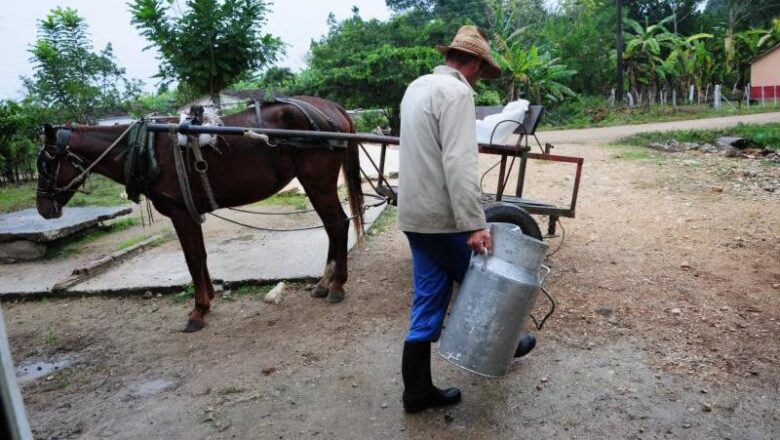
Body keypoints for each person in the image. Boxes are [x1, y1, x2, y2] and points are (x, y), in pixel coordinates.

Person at [397, 25, 536, 413]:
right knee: (484, 279)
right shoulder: (457, 93)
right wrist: (475, 224)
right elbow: (458, 163)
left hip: (414, 215)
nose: (479, 76)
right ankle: (511, 343)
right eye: (481, 69)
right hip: (444, 218)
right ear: (473, 62)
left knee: (428, 298)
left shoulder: (416, 87)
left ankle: (417, 391)